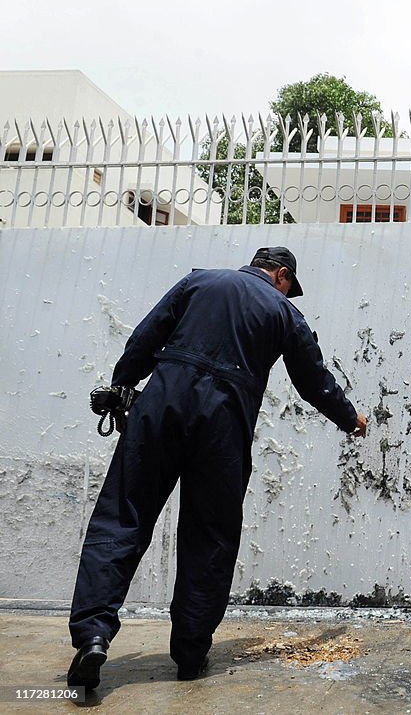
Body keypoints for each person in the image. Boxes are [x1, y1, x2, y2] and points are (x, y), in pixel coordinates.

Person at [66, 246, 367, 690]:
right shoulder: (284, 313)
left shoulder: (198, 281)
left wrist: (122, 384)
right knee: (210, 537)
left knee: (122, 517)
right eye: (290, 286)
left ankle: (93, 635)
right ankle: (189, 654)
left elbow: (147, 338)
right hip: (223, 426)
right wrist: (348, 417)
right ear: (281, 275)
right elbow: (313, 380)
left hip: (161, 407)